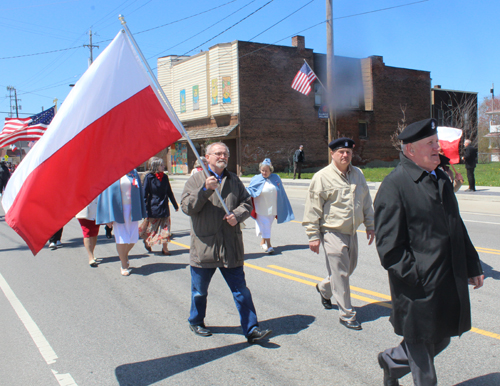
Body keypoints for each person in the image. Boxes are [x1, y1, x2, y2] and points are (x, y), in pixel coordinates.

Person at [374, 118, 484, 386]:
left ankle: (392, 360)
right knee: (425, 368)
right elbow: (389, 249)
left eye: (437, 142)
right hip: (417, 290)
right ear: (410, 150)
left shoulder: (440, 179)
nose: (438, 148)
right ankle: (401, 362)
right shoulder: (394, 186)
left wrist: (472, 265)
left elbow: (457, 226)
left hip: (447, 282)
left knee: (442, 336)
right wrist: (418, 277)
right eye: (431, 144)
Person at [181, 142, 272, 344]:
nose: (222, 156)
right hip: (205, 247)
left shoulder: (234, 180)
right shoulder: (196, 179)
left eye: (225, 154)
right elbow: (187, 207)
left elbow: (247, 203)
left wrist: (237, 215)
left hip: (230, 247)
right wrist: (205, 189)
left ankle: (251, 328)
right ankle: (196, 320)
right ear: (207, 157)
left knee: (241, 290)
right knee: (199, 291)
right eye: (218, 153)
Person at [302, 138, 375, 331]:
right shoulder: (321, 177)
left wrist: (370, 225)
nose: (345, 155)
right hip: (332, 232)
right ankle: (347, 314)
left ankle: (324, 288)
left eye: (348, 152)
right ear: (332, 154)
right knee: (341, 274)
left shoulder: (358, 174)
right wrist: (313, 236)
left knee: (348, 269)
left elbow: (366, 201)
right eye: (341, 152)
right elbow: (312, 209)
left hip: (352, 232)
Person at [96, 169, 147, 276]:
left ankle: (124, 255)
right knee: (121, 238)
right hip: (117, 210)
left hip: (132, 210)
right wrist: (107, 217)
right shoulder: (110, 172)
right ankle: (124, 264)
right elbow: (105, 195)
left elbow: (139, 192)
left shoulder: (133, 172)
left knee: (133, 238)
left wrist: (142, 210)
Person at [246, 158, 294, 253]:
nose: (264, 172)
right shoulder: (256, 178)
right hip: (260, 207)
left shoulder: (276, 178)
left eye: (266, 171)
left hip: (272, 207)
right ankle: (269, 245)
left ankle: (262, 242)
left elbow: (281, 192)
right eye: (262, 170)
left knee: (267, 225)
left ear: (270, 171)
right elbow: (250, 190)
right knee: (265, 224)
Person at [139, 157, 179, 255]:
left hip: (164, 206)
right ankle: (147, 241)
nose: (163, 166)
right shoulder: (149, 177)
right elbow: (145, 194)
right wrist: (144, 209)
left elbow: (169, 192)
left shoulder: (165, 177)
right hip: (153, 207)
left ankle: (165, 248)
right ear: (156, 166)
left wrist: (175, 204)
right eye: (161, 165)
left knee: (166, 228)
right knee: (151, 229)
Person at [76, 198, 100, 267]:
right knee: (87, 232)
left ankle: (92, 252)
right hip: (83, 209)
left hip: (96, 209)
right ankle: (90, 256)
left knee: (94, 232)